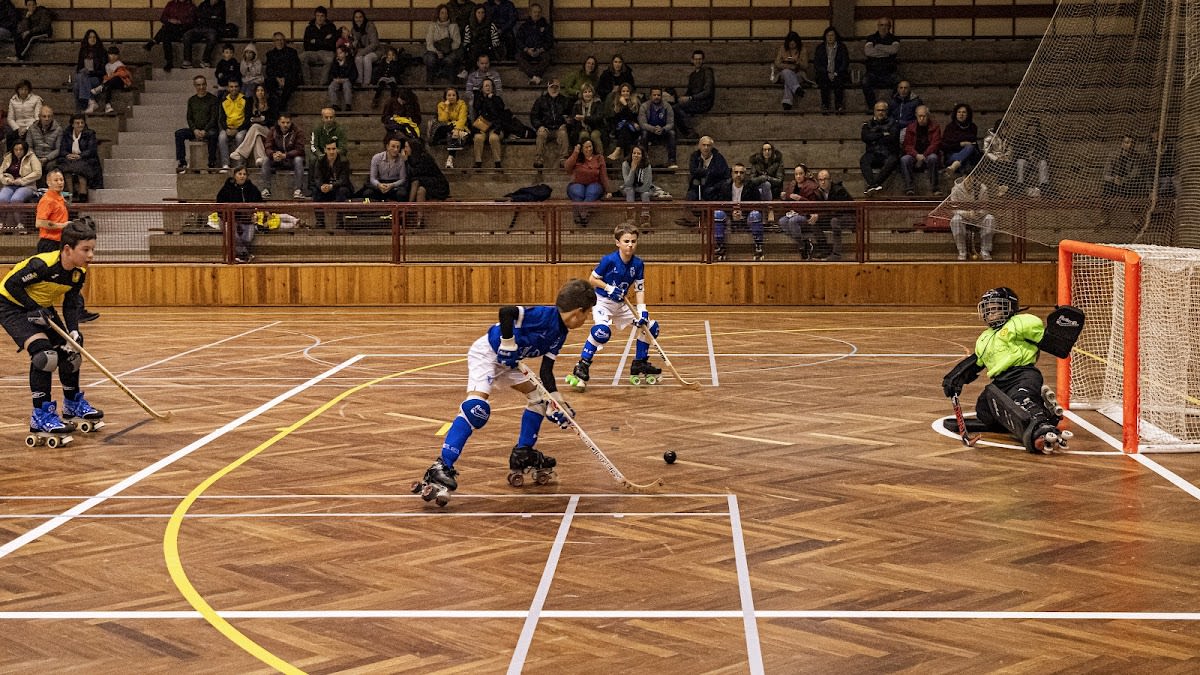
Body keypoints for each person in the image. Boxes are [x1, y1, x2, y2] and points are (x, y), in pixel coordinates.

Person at [412, 278, 595, 505]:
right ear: (577, 312)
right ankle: (442, 466)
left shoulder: (560, 334)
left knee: (540, 399)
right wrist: (508, 342)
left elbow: (547, 371)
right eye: (587, 314)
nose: (587, 319)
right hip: (487, 354)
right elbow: (506, 312)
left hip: (511, 365)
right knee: (477, 409)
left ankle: (523, 452)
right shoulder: (544, 316)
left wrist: (557, 402)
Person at [0, 219, 105, 441]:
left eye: (93, 250)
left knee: (72, 350)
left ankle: (72, 404)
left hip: (40, 307)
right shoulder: (42, 265)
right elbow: (11, 285)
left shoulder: (77, 273)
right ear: (68, 249)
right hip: (11, 306)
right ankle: (40, 416)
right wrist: (34, 308)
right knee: (45, 356)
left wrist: (73, 330)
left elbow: (71, 302)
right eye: (85, 250)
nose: (91, 256)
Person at [941, 287, 1071, 454]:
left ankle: (1042, 428)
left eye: (996, 307)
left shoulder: (1020, 323)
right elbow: (976, 361)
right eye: (987, 309)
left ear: (1010, 307)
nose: (991, 312)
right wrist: (956, 376)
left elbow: (1050, 342)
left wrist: (1061, 329)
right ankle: (1042, 411)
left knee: (1021, 399)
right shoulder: (985, 338)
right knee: (984, 409)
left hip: (1023, 375)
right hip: (1000, 382)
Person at [565, 223, 662, 391]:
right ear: (618, 242)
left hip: (623, 304)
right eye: (626, 241)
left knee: (651, 326)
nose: (630, 245)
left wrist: (642, 310)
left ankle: (640, 363)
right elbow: (592, 279)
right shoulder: (608, 260)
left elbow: (639, 288)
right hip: (603, 302)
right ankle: (582, 365)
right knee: (601, 332)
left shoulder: (638, 264)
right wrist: (609, 288)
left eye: (633, 241)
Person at [713, 162, 765, 261]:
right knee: (718, 214)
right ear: (732, 174)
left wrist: (743, 213)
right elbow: (720, 204)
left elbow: (758, 205)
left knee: (755, 214)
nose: (738, 175)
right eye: (736, 172)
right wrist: (731, 213)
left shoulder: (751, 186)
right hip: (729, 216)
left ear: (745, 175)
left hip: (747, 216)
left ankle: (758, 247)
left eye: (741, 173)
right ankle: (720, 247)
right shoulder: (725, 187)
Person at [216, 164, 263, 263]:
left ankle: (240, 255)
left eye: (244, 174)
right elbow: (219, 207)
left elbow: (260, 203)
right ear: (234, 175)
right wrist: (227, 218)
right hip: (229, 219)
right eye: (239, 174)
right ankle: (244, 255)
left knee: (248, 238)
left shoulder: (252, 188)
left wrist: (256, 214)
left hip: (247, 220)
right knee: (233, 234)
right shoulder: (226, 189)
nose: (242, 176)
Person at [174, 75, 219, 173]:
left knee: (213, 134)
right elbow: (189, 118)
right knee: (179, 133)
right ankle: (182, 162)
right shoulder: (192, 100)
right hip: (195, 130)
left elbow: (214, 118)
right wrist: (194, 130)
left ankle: (211, 162)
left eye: (203, 84)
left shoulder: (213, 99)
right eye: (198, 85)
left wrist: (205, 130)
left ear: (206, 85)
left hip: (208, 129)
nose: (201, 87)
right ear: (195, 86)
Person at [806, 169, 854, 261]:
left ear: (830, 180)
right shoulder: (818, 192)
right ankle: (824, 250)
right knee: (812, 222)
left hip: (848, 217)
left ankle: (836, 255)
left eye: (825, 179)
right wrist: (814, 214)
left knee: (835, 221)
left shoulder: (839, 191)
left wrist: (819, 216)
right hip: (831, 217)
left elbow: (837, 210)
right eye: (820, 180)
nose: (823, 182)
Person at [948, 174, 995, 261]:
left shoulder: (982, 188)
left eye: (973, 177)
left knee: (990, 218)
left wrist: (978, 213)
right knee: (955, 220)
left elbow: (986, 207)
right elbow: (954, 209)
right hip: (963, 217)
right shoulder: (956, 189)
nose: (970, 180)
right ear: (964, 177)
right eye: (968, 177)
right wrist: (967, 213)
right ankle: (962, 251)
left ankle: (985, 251)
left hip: (979, 217)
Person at [259, 112, 305, 199]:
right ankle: (266, 189)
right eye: (283, 122)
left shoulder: (298, 131)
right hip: (277, 159)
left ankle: (298, 190)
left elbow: (300, 149)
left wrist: (286, 155)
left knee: (299, 160)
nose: (285, 125)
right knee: (266, 160)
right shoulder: (273, 131)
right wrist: (273, 154)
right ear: (279, 122)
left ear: (291, 122)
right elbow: (268, 147)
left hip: (291, 160)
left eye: (288, 123)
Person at [229, 83, 276, 167]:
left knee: (255, 127)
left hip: (269, 131)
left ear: (265, 92)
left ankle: (240, 152)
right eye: (258, 90)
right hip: (256, 130)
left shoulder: (271, 102)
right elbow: (247, 118)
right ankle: (261, 158)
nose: (260, 92)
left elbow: (275, 119)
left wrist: (263, 119)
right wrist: (253, 119)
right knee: (256, 135)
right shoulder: (251, 102)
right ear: (255, 92)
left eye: (262, 90)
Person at [778, 163, 819, 259]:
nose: (798, 176)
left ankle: (801, 247)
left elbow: (814, 204)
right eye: (796, 174)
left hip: (806, 215)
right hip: (792, 213)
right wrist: (784, 196)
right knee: (782, 221)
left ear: (804, 174)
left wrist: (800, 198)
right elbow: (788, 197)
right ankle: (803, 242)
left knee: (793, 221)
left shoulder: (811, 186)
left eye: (800, 174)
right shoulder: (792, 184)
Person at [900, 104, 942, 196]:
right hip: (915, 155)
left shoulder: (935, 127)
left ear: (928, 116)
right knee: (904, 159)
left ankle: (935, 188)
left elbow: (935, 144)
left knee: (933, 158)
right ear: (916, 116)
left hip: (928, 154)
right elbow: (907, 145)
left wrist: (924, 155)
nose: (922, 118)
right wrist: (916, 155)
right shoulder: (911, 127)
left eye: (924, 116)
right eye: (920, 116)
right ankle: (909, 188)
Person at [564, 139, 609, 225]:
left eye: (590, 146)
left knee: (591, 192)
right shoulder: (576, 157)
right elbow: (567, 167)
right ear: (582, 148)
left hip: (595, 183)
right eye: (586, 147)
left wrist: (608, 190)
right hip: (577, 183)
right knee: (578, 193)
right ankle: (583, 216)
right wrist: (575, 153)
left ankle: (580, 214)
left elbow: (604, 175)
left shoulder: (599, 157)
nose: (588, 149)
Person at [57, 115, 101, 201]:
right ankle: (70, 194)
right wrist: (67, 155)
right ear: (72, 124)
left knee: (81, 169)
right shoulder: (67, 134)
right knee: (66, 169)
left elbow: (91, 150)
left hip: (85, 159)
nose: (80, 125)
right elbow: (62, 149)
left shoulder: (90, 134)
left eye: (82, 123)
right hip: (70, 159)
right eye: (77, 123)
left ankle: (82, 194)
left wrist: (80, 156)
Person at [860, 100, 900, 194]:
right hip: (873, 153)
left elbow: (892, 138)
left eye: (883, 110)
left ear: (887, 111)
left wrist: (874, 136)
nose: (880, 112)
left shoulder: (894, 124)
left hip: (888, 153)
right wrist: (882, 134)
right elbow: (865, 137)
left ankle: (873, 184)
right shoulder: (867, 124)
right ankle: (873, 185)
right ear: (874, 111)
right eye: (878, 110)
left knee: (893, 160)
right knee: (863, 160)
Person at [143, 0, 194, 73]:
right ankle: (169, 62)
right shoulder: (171, 4)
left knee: (166, 28)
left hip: (182, 30)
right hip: (170, 30)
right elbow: (163, 18)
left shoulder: (190, 6)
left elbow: (192, 21)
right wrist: (170, 20)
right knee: (166, 36)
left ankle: (154, 41)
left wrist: (179, 21)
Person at [530, 77, 570, 169]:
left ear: (559, 88)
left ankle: (563, 160)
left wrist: (565, 124)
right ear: (548, 88)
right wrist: (539, 126)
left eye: (556, 87)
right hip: (545, 128)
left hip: (559, 128)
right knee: (540, 134)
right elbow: (534, 116)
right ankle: (538, 159)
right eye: (552, 87)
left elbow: (570, 116)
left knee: (563, 134)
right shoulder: (540, 100)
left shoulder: (565, 101)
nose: (554, 89)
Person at [862, 17, 900, 111]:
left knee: (900, 83)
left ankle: (891, 107)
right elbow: (868, 52)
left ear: (889, 27)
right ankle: (873, 107)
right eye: (881, 25)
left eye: (886, 25)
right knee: (865, 81)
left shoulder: (894, 39)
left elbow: (894, 50)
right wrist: (887, 52)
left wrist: (878, 46)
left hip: (889, 73)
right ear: (878, 26)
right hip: (873, 72)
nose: (883, 27)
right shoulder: (871, 38)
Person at [673, 49, 714, 137]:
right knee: (673, 104)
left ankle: (690, 131)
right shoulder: (692, 75)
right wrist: (681, 98)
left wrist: (691, 98)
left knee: (677, 108)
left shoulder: (707, 72)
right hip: (694, 100)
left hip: (704, 102)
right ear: (692, 60)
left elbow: (707, 91)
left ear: (703, 60)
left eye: (700, 59)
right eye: (696, 59)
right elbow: (689, 92)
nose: (698, 61)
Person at [0, 140, 40, 227]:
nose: (18, 152)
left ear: (25, 149)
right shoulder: (8, 157)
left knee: (16, 199)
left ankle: (20, 224)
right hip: (10, 185)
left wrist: (22, 180)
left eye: (21, 149)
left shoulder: (32, 157)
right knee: (2, 198)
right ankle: (3, 224)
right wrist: (7, 180)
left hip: (28, 186)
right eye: (16, 149)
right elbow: (1, 173)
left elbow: (38, 172)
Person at [470, 76, 507, 169]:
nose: (488, 87)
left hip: (495, 126)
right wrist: (484, 98)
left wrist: (490, 99)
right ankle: (478, 162)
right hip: (482, 125)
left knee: (493, 138)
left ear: (493, 88)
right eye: (486, 86)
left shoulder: (497, 99)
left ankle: (497, 163)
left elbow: (496, 114)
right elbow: (477, 108)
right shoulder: (478, 99)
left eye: (490, 86)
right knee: (478, 138)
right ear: (482, 88)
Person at [811, 27, 849, 115]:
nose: (830, 37)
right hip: (824, 73)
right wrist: (826, 73)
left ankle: (839, 105)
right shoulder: (820, 48)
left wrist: (836, 73)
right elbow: (817, 64)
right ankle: (825, 105)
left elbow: (845, 62)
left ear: (836, 36)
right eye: (828, 35)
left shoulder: (842, 47)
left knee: (839, 81)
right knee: (823, 81)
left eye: (832, 35)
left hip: (838, 72)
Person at [514, 3, 553, 85]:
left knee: (548, 57)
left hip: (541, 51)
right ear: (530, 13)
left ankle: (533, 76)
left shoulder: (546, 26)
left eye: (539, 12)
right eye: (535, 12)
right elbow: (518, 40)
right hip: (527, 51)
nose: (537, 14)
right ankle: (536, 76)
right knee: (518, 56)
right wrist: (526, 49)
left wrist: (540, 50)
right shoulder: (524, 26)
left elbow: (550, 41)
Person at [638, 87, 676, 169]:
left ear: (661, 96)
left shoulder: (667, 106)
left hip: (663, 132)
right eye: (654, 95)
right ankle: (643, 161)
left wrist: (663, 129)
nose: (656, 97)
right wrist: (653, 129)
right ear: (650, 96)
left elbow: (671, 123)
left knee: (672, 133)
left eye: (658, 95)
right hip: (650, 132)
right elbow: (642, 123)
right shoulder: (644, 106)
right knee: (644, 133)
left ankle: (672, 161)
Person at [430, 87, 469, 169]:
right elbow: (442, 120)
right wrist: (447, 107)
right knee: (448, 130)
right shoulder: (441, 105)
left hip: (458, 127)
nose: (451, 97)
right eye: (449, 95)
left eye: (453, 95)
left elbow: (462, 119)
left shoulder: (462, 104)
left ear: (457, 96)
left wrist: (457, 129)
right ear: (445, 97)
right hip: (445, 127)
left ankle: (450, 159)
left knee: (453, 134)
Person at [423, 4, 462, 85]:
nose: (444, 15)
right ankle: (429, 84)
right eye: (442, 13)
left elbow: (457, 42)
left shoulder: (453, 26)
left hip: (450, 50)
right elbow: (429, 42)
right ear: (438, 14)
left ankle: (452, 84)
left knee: (450, 60)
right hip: (435, 50)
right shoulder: (432, 26)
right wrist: (437, 52)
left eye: (446, 13)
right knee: (430, 59)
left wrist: (446, 51)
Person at [264, 32, 302, 112]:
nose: (279, 42)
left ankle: (281, 106)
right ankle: (273, 106)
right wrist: (277, 78)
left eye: (281, 40)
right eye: (277, 40)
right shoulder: (270, 54)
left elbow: (295, 68)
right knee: (268, 82)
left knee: (290, 83)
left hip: (289, 77)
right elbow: (269, 69)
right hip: (276, 77)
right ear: (273, 42)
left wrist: (285, 78)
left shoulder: (292, 52)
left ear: (284, 41)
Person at [403, 137, 449, 203]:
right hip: (424, 183)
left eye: (406, 147)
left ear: (413, 148)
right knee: (421, 190)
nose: (405, 149)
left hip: (437, 184)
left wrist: (406, 161)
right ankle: (417, 211)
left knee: (416, 181)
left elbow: (415, 173)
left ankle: (408, 205)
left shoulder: (425, 158)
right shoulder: (411, 158)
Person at [180, 0, 225, 68]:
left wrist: (207, 17)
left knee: (212, 37)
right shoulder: (203, 4)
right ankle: (187, 61)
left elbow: (218, 19)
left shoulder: (222, 5)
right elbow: (198, 15)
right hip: (199, 27)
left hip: (212, 28)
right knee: (187, 35)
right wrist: (210, 17)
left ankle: (205, 60)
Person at [216, 79, 249, 171]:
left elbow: (247, 119)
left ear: (239, 88)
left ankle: (240, 165)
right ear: (228, 88)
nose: (234, 89)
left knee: (239, 137)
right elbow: (221, 119)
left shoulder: (245, 100)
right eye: (231, 87)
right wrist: (226, 129)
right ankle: (225, 164)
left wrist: (237, 129)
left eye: (236, 86)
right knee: (222, 137)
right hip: (228, 128)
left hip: (241, 128)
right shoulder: (224, 101)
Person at [774, 32, 810, 112]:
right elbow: (777, 63)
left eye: (794, 41)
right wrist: (788, 65)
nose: (792, 43)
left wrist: (797, 62)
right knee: (787, 72)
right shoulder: (782, 48)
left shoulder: (802, 50)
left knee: (789, 81)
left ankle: (787, 101)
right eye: (790, 41)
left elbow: (805, 66)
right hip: (785, 72)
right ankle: (796, 88)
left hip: (798, 74)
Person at [1014, 117, 1051, 196]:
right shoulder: (1021, 138)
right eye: (1030, 128)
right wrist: (1026, 156)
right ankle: (1020, 184)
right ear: (1027, 128)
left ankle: (1044, 186)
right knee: (1020, 162)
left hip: (1036, 161)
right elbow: (1017, 153)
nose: (1032, 131)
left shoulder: (1042, 138)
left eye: (1034, 128)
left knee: (1043, 163)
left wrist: (1037, 157)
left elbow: (1045, 153)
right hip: (1026, 161)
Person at [302, 6, 338, 87]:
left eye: (322, 16)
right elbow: (306, 45)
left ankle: (322, 84)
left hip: (327, 53)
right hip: (313, 53)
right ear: (315, 16)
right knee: (301, 58)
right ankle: (308, 84)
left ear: (325, 17)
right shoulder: (309, 28)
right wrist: (324, 40)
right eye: (318, 16)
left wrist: (315, 41)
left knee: (330, 60)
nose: (319, 18)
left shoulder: (331, 27)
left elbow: (331, 45)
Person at [685, 135, 729, 201]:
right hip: (697, 186)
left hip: (714, 187)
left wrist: (704, 172)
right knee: (691, 196)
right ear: (699, 146)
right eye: (704, 145)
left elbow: (722, 173)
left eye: (708, 145)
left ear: (712, 147)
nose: (706, 148)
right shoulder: (695, 156)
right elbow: (693, 171)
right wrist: (708, 172)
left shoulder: (718, 158)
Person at [941, 103, 980, 177]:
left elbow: (974, 143)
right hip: (952, 156)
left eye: (964, 112)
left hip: (969, 156)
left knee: (970, 148)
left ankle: (955, 166)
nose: (961, 114)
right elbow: (945, 146)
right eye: (959, 112)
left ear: (968, 114)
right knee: (968, 149)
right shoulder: (950, 127)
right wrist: (960, 144)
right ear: (955, 114)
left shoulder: (972, 127)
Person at [604, 82, 639, 162]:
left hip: (634, 130)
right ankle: (627, 160)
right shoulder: (616, 104)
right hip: (620, 130)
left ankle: (618, 149)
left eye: (627, 91)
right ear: (620, 93)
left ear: (630, 92)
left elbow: (632, 117)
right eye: (623, 91)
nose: (625, 93)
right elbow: (616, 119)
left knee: (625, 128)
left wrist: (625, 104)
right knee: (625, 129)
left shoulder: (635, 103)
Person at [93, 45, 132, 116]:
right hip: (110, 83)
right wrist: (106, 79)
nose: (113, 56)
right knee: (109, 86)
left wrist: (109, 78)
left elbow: (121, 74)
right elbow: (107, 76)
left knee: (115, 78)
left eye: (115, 55)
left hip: (120, 83)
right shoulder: (107, 65)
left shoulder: (119, 64)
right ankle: (107, 105)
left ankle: (101, 87)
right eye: (111, 54)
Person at [365, 136, 408, 201]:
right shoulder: (377, 158)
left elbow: (402, 179)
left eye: (398, 147)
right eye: (393, 146)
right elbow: (373, 178)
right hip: (380, 183)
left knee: (402, 194)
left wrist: (392, 185)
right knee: (368, 193)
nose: (396, 149)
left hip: (394, 184)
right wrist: (379, 185)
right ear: (387, 147)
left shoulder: (401, 159)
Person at [74, 30, 106, 115]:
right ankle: (91, 101)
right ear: (86, 39)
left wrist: (91, 72)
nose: (92, 39)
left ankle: (82, 108)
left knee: (77, 86)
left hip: (96, 78)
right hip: (84, 76)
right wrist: (83, 70)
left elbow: (103, 71)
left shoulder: (102, 51)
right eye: (90, 37)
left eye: (94, 37)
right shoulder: (83, 51)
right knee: (80, 77)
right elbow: (78, 68)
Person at [569, 83, 605, 159]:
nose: (587, 94)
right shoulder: (577, 104)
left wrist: (584, 118)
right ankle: (584, 159)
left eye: (589, 91)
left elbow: (598, 118)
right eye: (585, 92)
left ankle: (600, 159)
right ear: (582, 94)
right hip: (581, 128)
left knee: (594, 135)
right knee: (583, 135)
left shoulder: (598, 103)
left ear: (593, 93)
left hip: (597, 128)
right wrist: (574, 119)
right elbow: (573, 119)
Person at [621, 145, 653, 223]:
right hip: (629, 189)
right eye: (634, 153)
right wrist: (632, 169)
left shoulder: (647, 165)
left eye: (638, 153)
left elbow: (646, 186)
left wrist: (635, 190)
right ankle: (630, 217)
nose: (636, 155)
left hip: (643, 189)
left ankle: (645, 219)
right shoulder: (625, 164)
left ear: (642, 156)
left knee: (645, 194)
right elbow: (627, 184)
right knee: (629, 190)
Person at [462, 4, 500, 71]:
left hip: (488, 49)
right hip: (473, 50)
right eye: (478, 12)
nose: (481, 14)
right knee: (475, 50)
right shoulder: (469, 27)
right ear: (475, 14)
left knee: (479, 50)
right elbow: (466, 42)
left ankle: (466, 70)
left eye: (483, 12)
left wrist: (488, 46)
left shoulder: (491, 26)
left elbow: (496, 41)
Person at [6, 80, 41, 151]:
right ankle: (10, 156)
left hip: (31, 126)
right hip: (17, 126)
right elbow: (10, 118)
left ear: (29, 90)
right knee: (10, 135)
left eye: (26, 89)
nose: (23, 91)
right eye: (21, 89)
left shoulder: (36, 99)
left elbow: (37, 118)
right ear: (17, 90)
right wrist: (17, 128)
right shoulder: (13, 100)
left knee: (29, 135)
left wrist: (27, 128)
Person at [26, 104, 60, 175]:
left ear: (52, 117)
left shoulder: (58, 129)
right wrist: (35, 159)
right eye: (44, 116)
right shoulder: (32, 128)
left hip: (50, 158)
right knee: (30, 165)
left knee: (51, 166)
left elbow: (58, 149)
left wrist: (46, 158)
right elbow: (29, 146)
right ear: (39, 117)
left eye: (49, 116)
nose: (46, 119)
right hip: (35, 156)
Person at [350, 10, 381, 87]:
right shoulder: (353, 29)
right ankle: (359, 81)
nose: (358, 19)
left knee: (367, 58)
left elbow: (374, 44)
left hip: (376, 51)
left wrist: (360, 53)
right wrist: (354, 45)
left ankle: (366, 83)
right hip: (363, 51)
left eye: (360, 17)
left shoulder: (370, 26)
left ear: (364, 18)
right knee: (358, 59)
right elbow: (356, 46)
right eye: (356, 17)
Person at [326, 45, 357, 112]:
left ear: (346, 53)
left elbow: (354, 74)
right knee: (331, 87)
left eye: (340, 53)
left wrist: (345, 79)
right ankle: (335, 105)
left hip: (346, 80)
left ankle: (348, 105)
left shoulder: (350, 62)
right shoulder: (335, 62)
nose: (339, 55)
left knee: (347, 86)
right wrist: (335, 79)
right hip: (337, 79)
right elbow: (331, 73)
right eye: (338, 53)